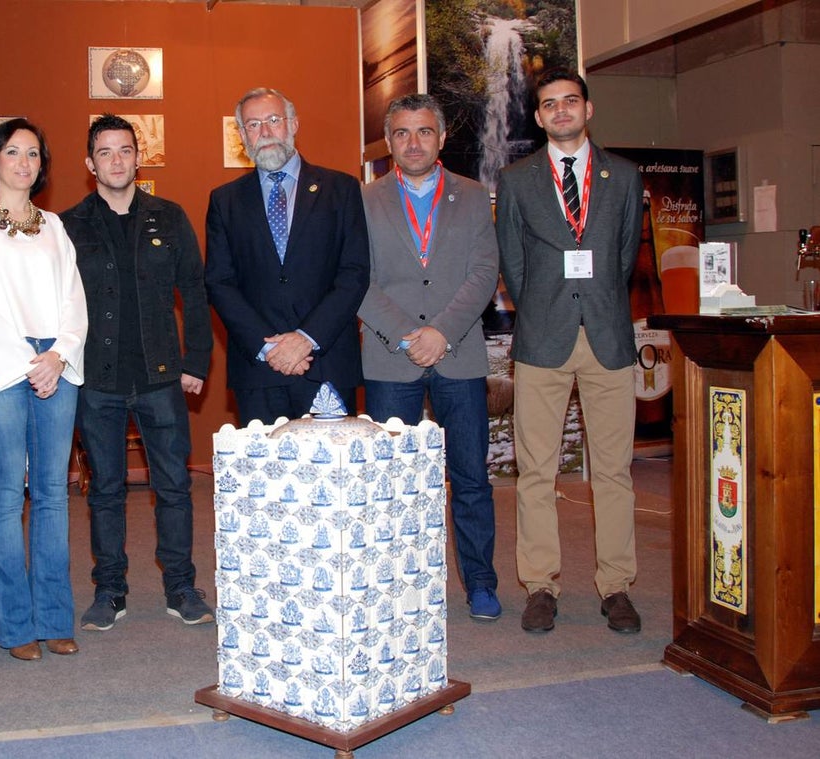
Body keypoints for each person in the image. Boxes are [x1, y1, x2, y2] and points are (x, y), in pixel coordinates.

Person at [495, 69, 644, 634]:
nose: (560, 111)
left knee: (614, 471)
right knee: (535, 470)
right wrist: (549, 305)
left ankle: (617, 586)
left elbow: (624, 257)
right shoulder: (516, 180)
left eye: (570, 102)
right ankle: (540, 585)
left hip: (607, 337)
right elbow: (514, 262)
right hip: (542, 339)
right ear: (537, 117)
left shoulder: (625, 177)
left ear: (589, 109)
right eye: (549, 105)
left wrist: (592, 299)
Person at [60, 114, 214, 631]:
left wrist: (196, 361)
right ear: (90, 163)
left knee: (173, 486)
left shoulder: (168, 217)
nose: (117, 160)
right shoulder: (68, 225)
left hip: (161, 375)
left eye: (125, 150)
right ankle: (109, 589)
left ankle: (181, 586)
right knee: (105, 489)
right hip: (96, 378)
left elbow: (194, 289)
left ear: (138, 157)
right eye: (105, 152)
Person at [357, 93, 502, 621]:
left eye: (423, 132)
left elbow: (484, 273)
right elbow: (357, 279)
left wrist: (440, 331)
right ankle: (396, 588)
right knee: (391, 482)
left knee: (469, 478)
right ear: (388, 142)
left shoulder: (473, 193)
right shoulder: (365, 200)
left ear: (441, 138)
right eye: (401, 133)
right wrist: (406, 335)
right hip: (391, 360)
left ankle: (481, 582)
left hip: (458, 355)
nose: (412, 143)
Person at [0, 118, 87, 660]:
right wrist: (28, 362)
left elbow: (73, 299)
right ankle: (14, 627)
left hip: (56, 358)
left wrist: (57, 355)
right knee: (7, 497)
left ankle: (55, 618)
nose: (24, 162)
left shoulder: (54, 225)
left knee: (53, 494)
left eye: (33, 153)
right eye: (13, 152)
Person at [205, 87, 370, 424]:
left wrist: (306, 339)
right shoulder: (225, 201)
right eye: (252, 125)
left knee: (331, 475)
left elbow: (354, 273)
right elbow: (220, 282)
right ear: (241, 135)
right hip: (259, 370)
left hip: (326, 363)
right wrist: (270, 348)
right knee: (265, 475)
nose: (264, 132)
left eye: (273, 120)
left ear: (293, 124)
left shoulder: (341, 189)